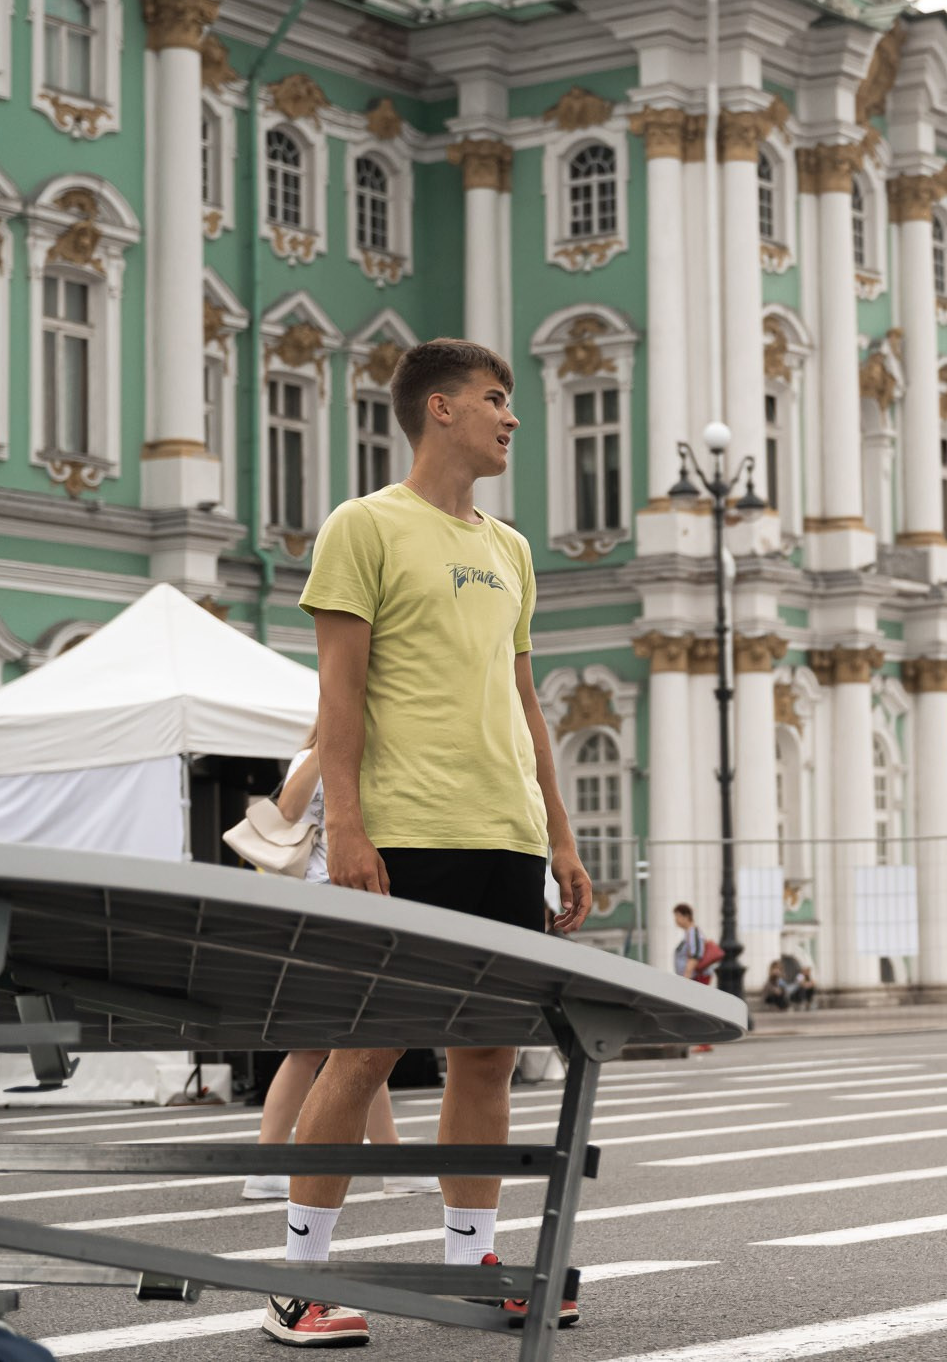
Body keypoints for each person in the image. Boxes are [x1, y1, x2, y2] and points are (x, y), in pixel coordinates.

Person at [269, 340, 592, 1346]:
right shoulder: (363, 526)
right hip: (405, 832)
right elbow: (340, 697)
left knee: (487, 1055)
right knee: (367, 1051)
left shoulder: (512, 549)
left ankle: (469, 1259)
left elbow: (525, 701)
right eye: (499, 400)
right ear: (440, 408)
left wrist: (563, 839)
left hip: (505, 836)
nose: (514, 418)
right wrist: (348, 826)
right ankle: (300, 1274)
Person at [244, 731, 433, 1203]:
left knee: (362, 1040)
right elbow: (287, 809)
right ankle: (268, 1164)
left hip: (355, 909)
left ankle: (386, 1161)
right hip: (324, 910)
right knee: (323, 1045)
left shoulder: (376, 749)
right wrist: (328, 737)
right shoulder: (316, 752)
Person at [672, 903, 716, 985]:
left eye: (678, 916)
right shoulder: (689, 933)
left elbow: (695, 956)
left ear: (686, 916)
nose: (676, 919)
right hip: (693, 978)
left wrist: (686, 979)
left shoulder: (693, 933)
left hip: (696, 978)